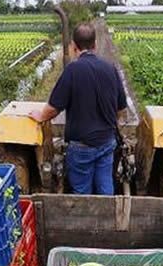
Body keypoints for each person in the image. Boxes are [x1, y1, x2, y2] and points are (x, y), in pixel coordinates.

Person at [29, 22, 127, 195]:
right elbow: (121, 111)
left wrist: (40, 116)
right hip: (106, 142)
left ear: (74, 46)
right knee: (105, 186)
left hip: (81, 147)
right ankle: (108, 217)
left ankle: (84, 219)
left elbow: (53, 109)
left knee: (82, 191)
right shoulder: (111, 69)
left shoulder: (72, 70)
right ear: (95, 45)